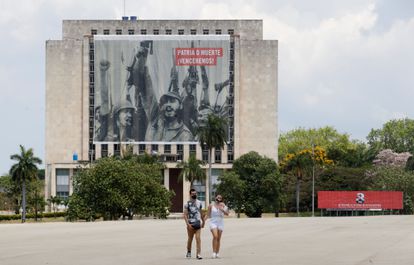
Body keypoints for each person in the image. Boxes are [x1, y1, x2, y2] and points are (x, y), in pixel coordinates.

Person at [183, 189, 205, 260]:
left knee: (198, 239)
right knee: (190, 239)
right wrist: (187, 224)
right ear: (190, 194)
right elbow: (185, 215)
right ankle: (189, 252)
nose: (194, 194)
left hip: (198, 223)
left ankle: (198, 254)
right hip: (190, 224)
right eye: (192, 193)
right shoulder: (187, 204)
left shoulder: (199, 203)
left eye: (195, 193)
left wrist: (203, 222)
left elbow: (201, 213)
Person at [207, 194, 229, 259]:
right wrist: (203, 222)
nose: (219, 198)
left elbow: (227, 213)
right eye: (218, 197)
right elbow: (208, 215)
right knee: (215, 236)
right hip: (213, 222)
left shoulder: (223, 205)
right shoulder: (211, 205)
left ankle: (217, 253)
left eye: (220, 197)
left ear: (221, 199)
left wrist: (222, 209)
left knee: (218, 238)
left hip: (220, 222)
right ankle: (213, 253)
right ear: (215, 197)